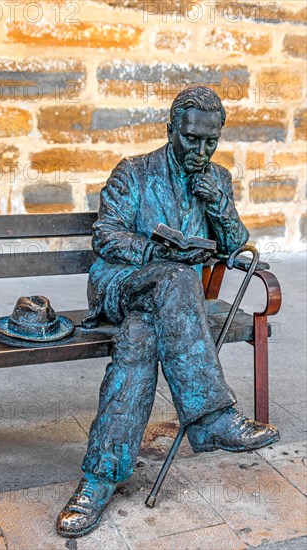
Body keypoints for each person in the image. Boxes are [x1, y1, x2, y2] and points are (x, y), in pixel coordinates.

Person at [57, 85, 279, 538]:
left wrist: (218, 204)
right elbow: (106, 237)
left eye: (210, 141)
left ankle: (98, 480)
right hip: (121, 286)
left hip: (165, 309)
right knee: (176, 277)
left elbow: (235, 243)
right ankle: (214, 418)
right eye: (191, 138)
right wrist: (156, 251)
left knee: (139, 340)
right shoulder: (133, 172)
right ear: (170, 129)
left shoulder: (217, 178)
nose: (200, 149)